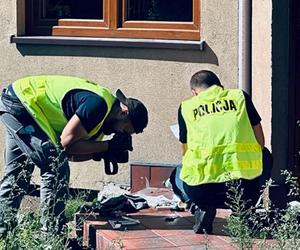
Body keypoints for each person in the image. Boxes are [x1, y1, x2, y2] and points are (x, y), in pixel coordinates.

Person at [0, 75, 148, 236]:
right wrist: (108, 146)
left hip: (21, 103)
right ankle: (51, 236)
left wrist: (101, 152)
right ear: (123, 112)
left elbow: (69, 154)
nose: (118, 134)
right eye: (125, 130)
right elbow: (66, 143)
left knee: (17, 175)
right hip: (22, 104)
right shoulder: (97, 106)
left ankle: (2, 233)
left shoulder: (100, 122)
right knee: (55, 167)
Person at [177, 70, 267, 234]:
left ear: (194, 92)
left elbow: (185, 151)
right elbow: (260, 141)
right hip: (242, 187)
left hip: (202, 190)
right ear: (221, 87)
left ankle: (203, 208)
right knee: (265, 157)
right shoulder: (240, 97)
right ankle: (243, 210)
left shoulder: (186, 107)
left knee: (177, 174)